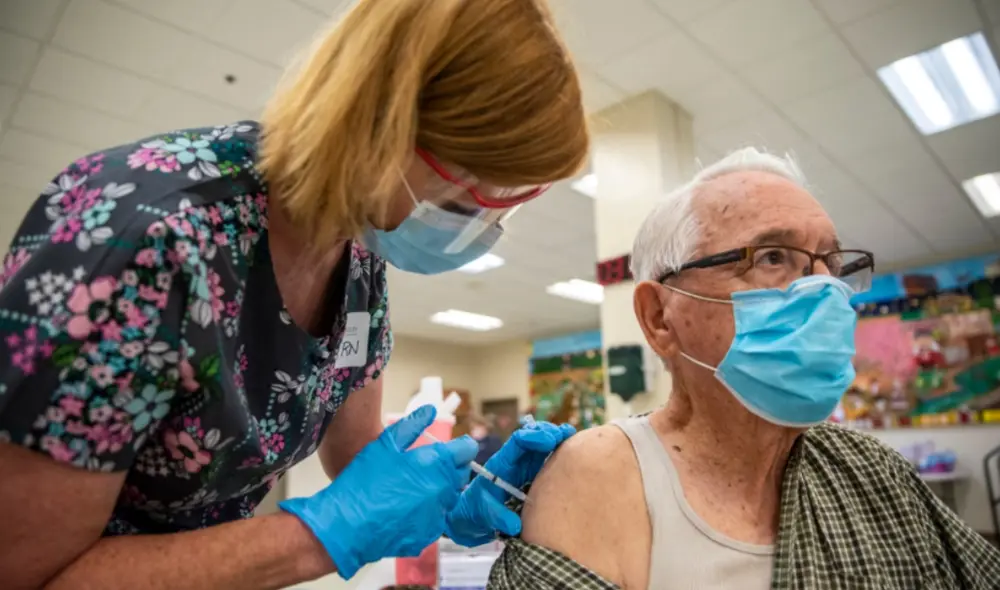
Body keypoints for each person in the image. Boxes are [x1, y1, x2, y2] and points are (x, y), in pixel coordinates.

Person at [0, 0, 586, 588]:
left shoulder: (360, 253)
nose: (485, 221)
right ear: (386, 129)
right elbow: (23, 572)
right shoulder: (141, 242)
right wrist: (319, 536)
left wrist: (456, 490)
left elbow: (357, 451)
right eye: (482, 187)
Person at [487, 148, 1000, 589]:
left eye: (833, 265)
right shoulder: (600, 476)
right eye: (773, 256)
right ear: (659, 317)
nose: (823, 289)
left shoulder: (872, 472)